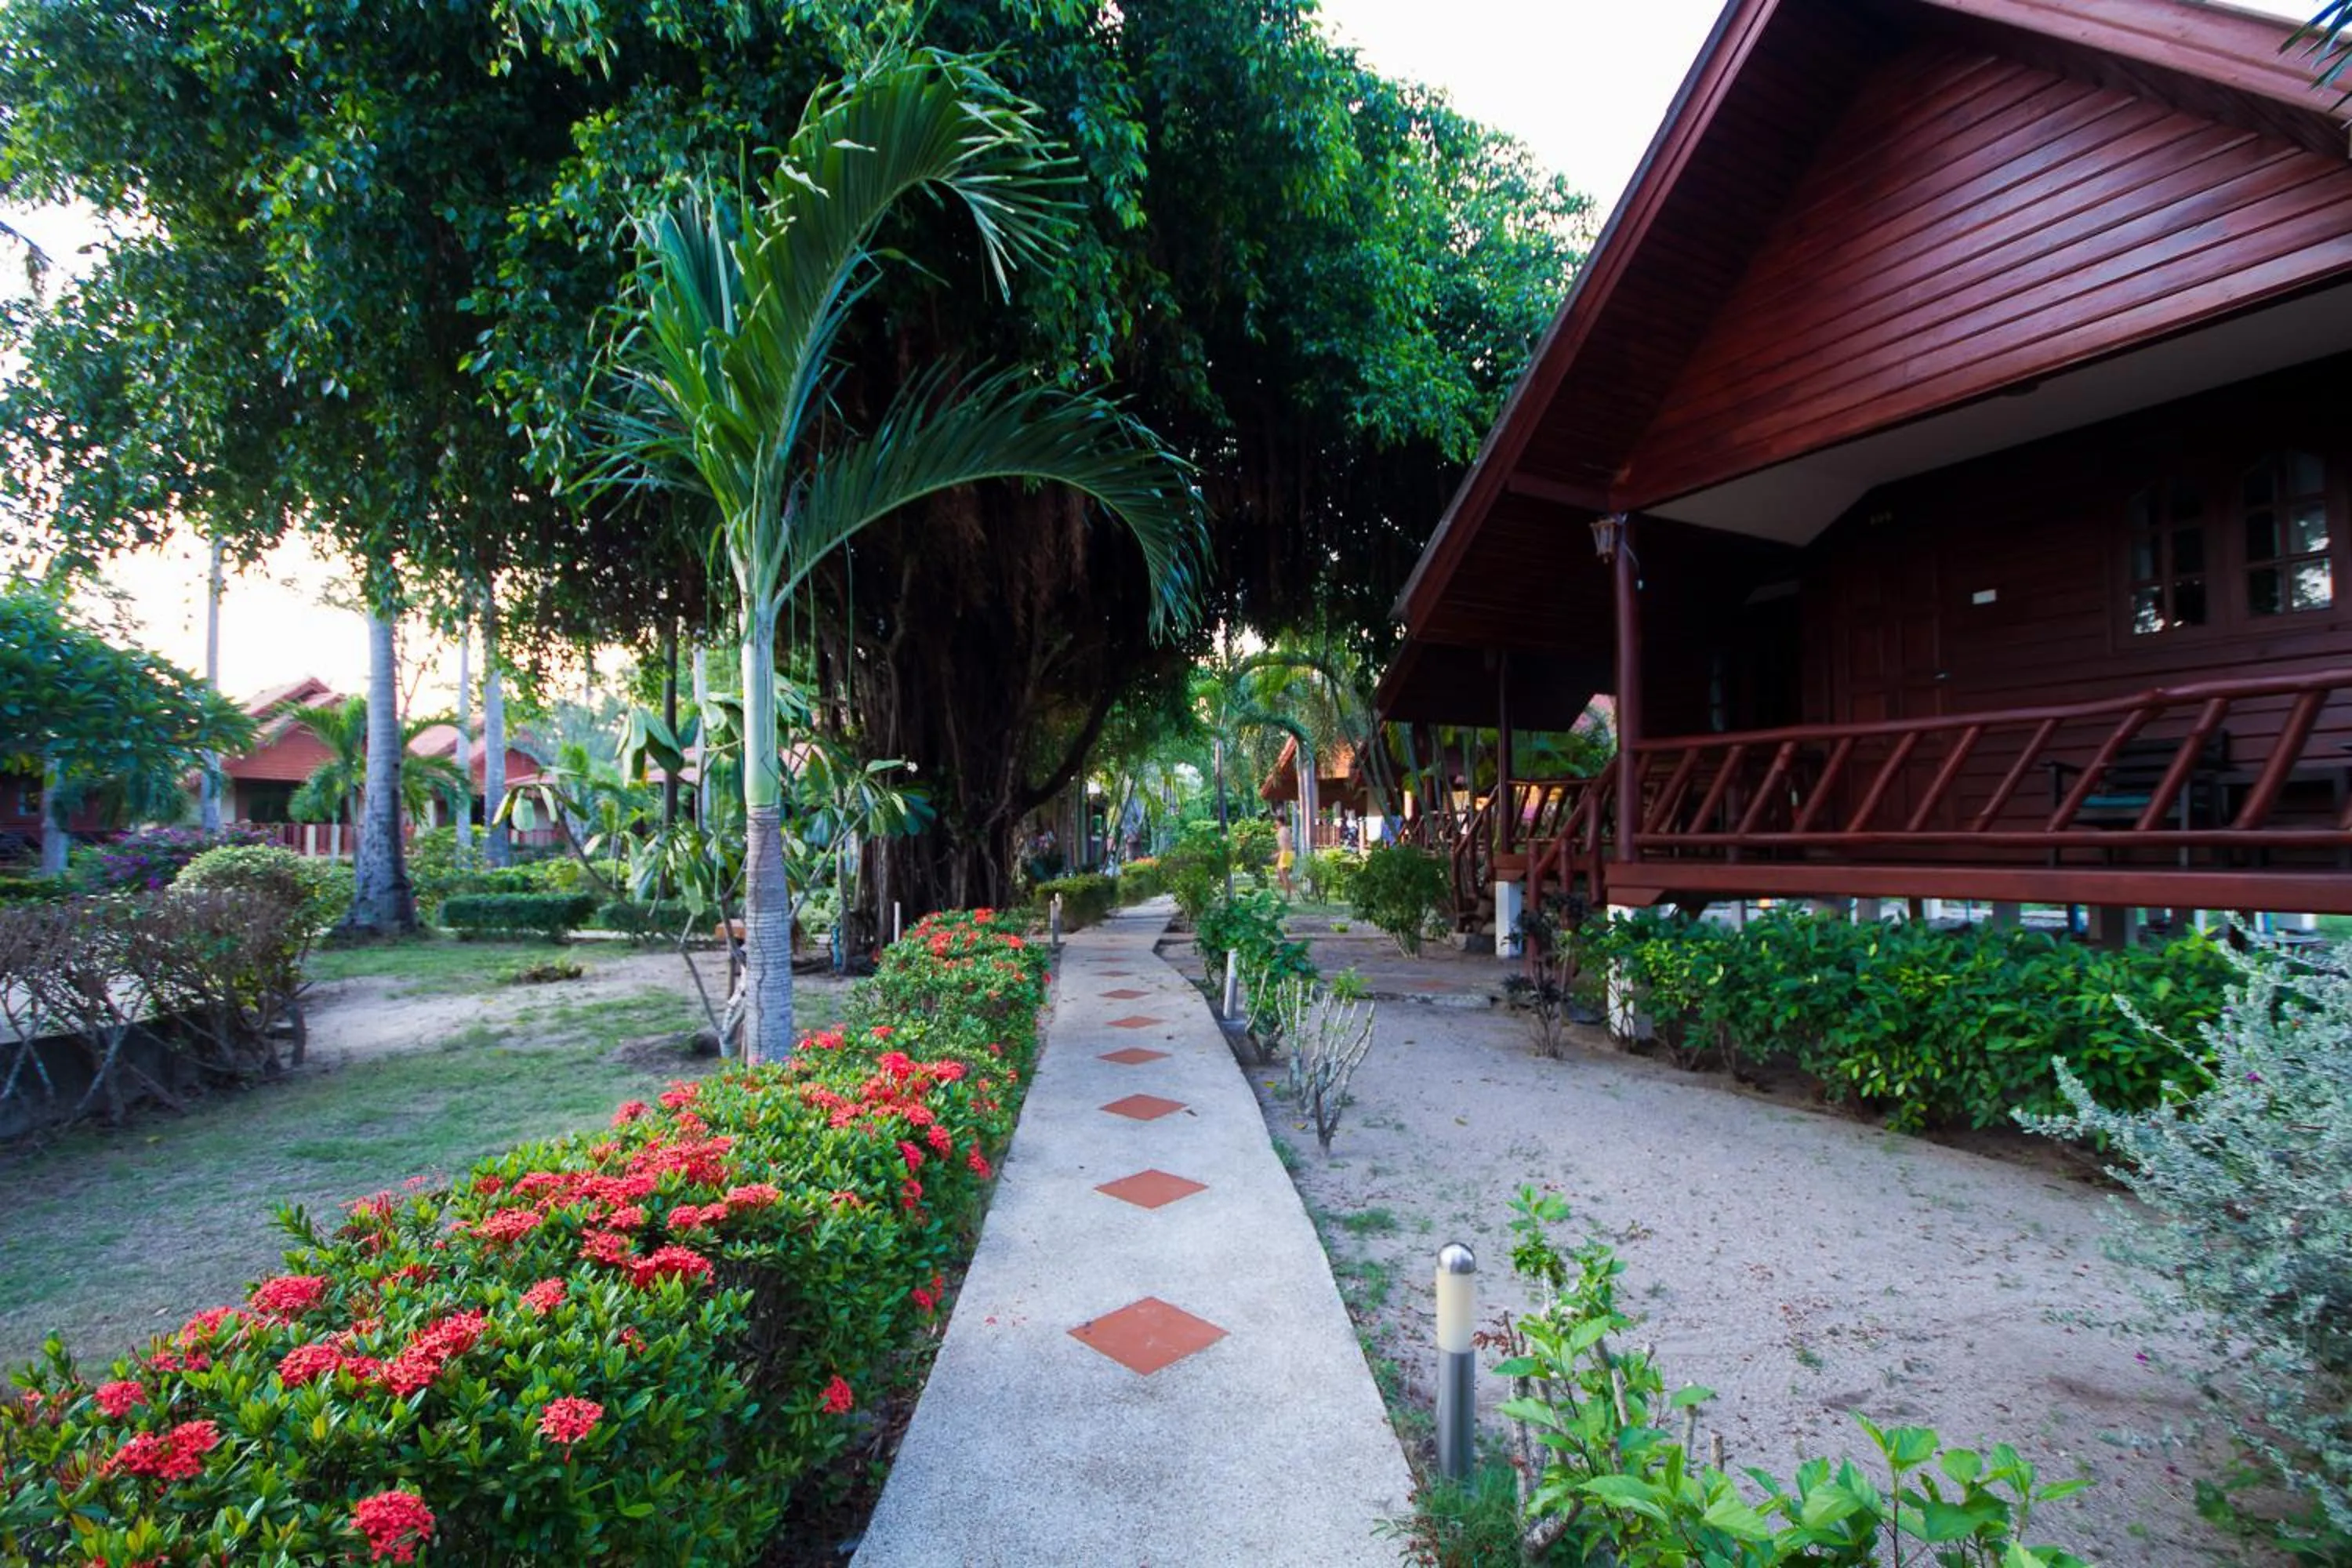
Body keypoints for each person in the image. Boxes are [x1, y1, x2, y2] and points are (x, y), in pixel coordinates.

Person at [1274, 816, 1296, 897]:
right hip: (1285, 853)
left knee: (1283, 875)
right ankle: (1290, 890)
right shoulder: (1283, 830)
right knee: (1280, 873)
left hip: (1285, 853)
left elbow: (1285, 844)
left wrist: (1279, 854)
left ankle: (1289, 893)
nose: (1275, 824)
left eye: (1276, 822)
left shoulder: (1283, 830)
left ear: (1280, 822)